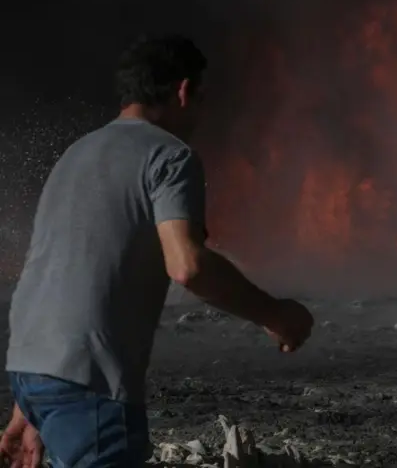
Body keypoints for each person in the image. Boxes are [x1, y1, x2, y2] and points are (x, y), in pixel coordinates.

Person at [1, 34, 314, 467]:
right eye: (201, 97)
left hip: (31, 368)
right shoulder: (168, 155)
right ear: (183, 91)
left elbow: (53, 272)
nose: (202, 113)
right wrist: (276, 315)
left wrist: (32, 403)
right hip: (92, 385)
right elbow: (188, 266)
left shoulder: (76, 154)